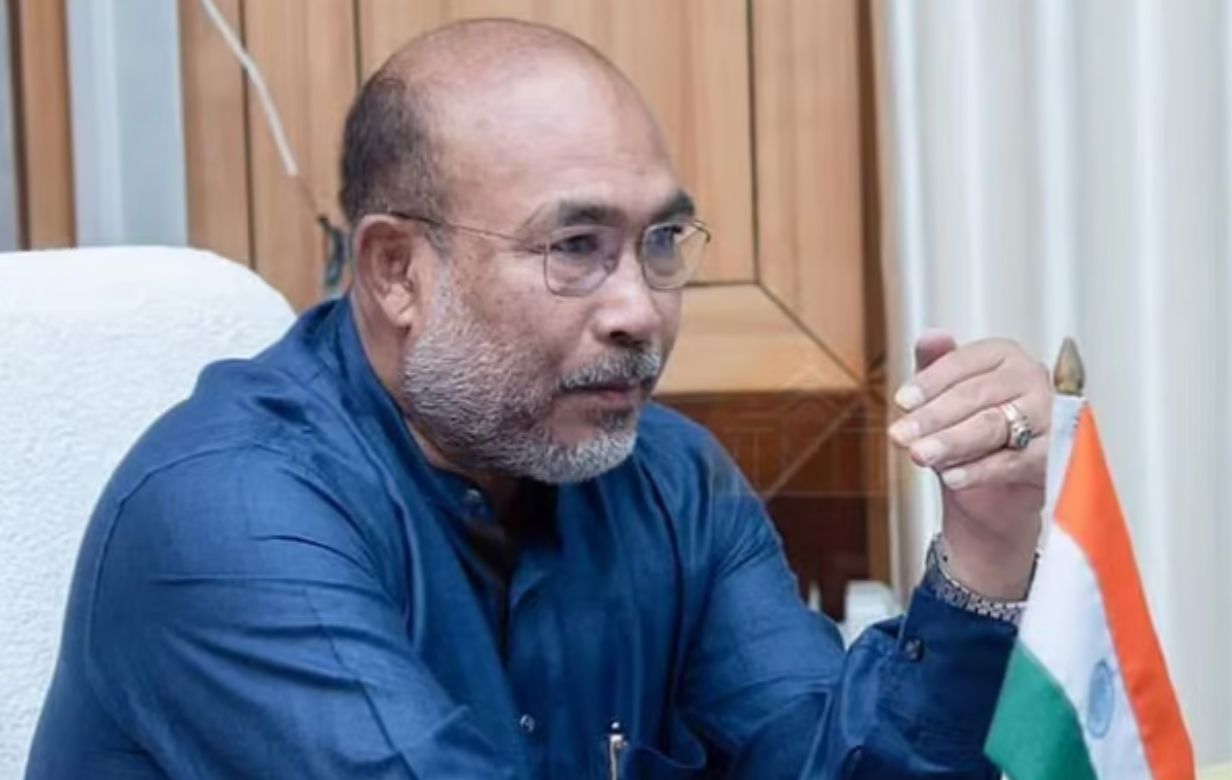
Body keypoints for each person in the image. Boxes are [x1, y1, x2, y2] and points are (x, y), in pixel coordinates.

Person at [27, 19, 1052, 779]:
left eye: (660, 242)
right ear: (396, 272)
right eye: (575, 247)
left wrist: (985, 550)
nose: (640, 310)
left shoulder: (672, 482)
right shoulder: (228, 515)